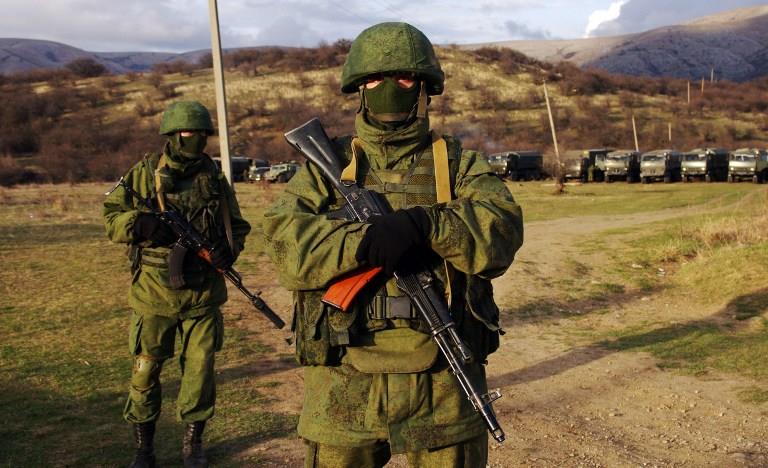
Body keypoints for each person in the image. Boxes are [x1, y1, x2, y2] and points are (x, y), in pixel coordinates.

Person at [263, 22, 524, 468]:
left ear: (424, 88)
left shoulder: (458, 162)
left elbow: (499, 232)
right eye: (374, 79)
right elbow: (287, 245)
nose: (389, 88)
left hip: (442, 384)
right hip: (342, 383)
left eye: (403, 78)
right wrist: (365, 241)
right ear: (358, 89)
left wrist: (425, 224)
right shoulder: (329, 166)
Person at [103, 100, 251, 468]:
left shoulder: (214, 178)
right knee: (146, 370)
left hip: (202, 294)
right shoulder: (144, 173)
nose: (194, 139)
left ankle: (193, 444)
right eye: (187, 133)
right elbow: (112, 217)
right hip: (153, 292)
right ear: (171, 135)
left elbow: (238, 225)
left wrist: (226, 252)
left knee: (200, 373)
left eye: (201, 134)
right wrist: (139, 225)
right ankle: (144, 448)